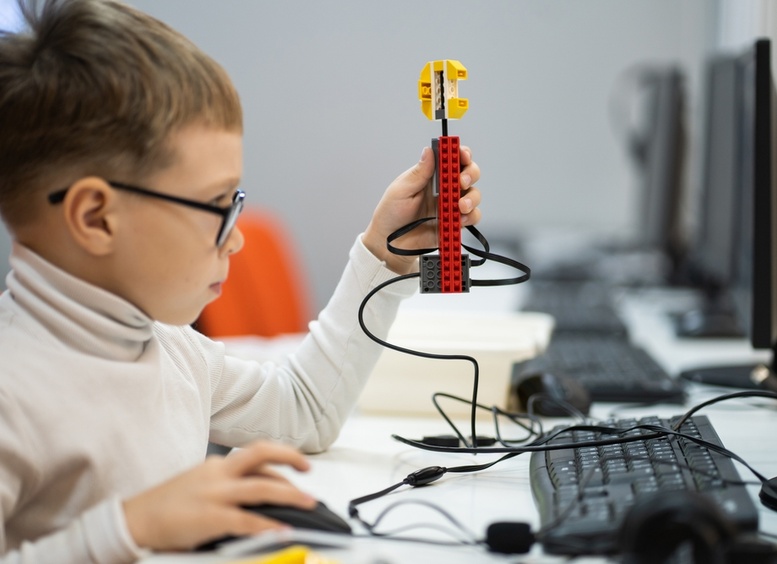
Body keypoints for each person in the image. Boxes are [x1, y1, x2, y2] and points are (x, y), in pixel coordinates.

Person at [0, 0, 482, 561]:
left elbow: (304, 412)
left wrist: (384, 255)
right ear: (96, 217)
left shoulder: (170, 348)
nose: (237, 239)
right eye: (217, 206)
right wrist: (133, 527)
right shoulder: (14, 392)